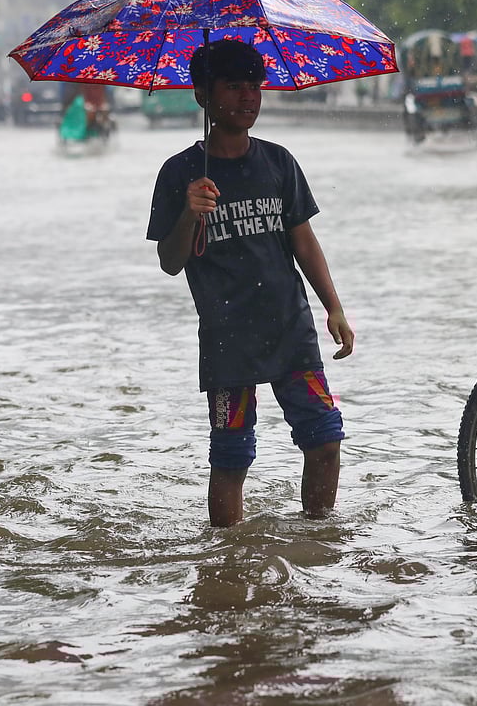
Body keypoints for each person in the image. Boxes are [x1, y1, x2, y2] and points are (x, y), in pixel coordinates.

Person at [146, 39, 355, 528]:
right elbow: (169, 261)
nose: (248, 98)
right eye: (234, 87)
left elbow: (304, 242)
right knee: (232, 457)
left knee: (325, 439)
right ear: (203, 96)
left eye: (254, 87)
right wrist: (189, 214)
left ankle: (320, 541)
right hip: (227, 340)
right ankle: (227, 561)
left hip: (290, 329)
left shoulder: (278, 162)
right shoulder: (180, 174)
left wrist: (334, 307)